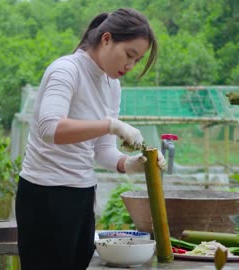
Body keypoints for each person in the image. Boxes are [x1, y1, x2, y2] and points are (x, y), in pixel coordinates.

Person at [15, 8, 165, 270]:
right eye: (129, 55)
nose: (130, 66)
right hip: (45, 195)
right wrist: (111, 125)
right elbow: (50, 128)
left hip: (82, 194)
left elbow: (102, 150)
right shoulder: (66, 70)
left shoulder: (111, 85)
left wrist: (129, 163)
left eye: (137, 61)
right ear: (106, 39)